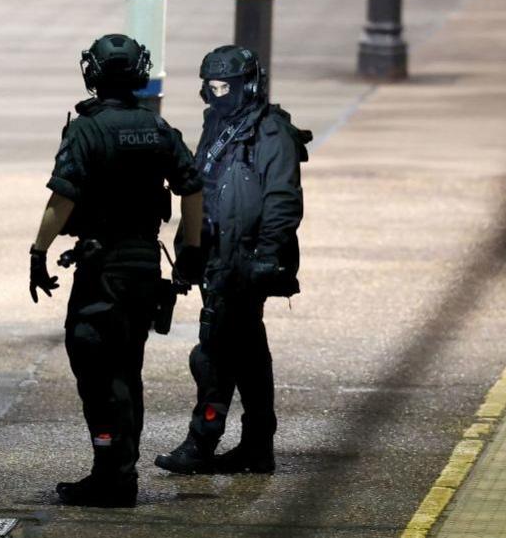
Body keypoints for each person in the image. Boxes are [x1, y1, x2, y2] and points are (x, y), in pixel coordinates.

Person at [29, 33, 204, 507]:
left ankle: (111, 475)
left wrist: (38, 252)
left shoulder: (86, 130)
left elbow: (62, 197)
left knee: (94, 365)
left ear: (92, 74)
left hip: (102, 265)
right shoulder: (157, 127)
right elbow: (192, 187)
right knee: (127, 369)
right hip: (145, 264)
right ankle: (120, 471)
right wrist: (190, 249)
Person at [155, 45, 309, 475]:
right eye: (211, 86)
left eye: (226, 86)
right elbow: (200, 189)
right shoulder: (217, 125)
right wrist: (189, 250)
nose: (218, 94)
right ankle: (258, 444)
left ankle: (203, 441)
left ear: (247, 85)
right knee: (247, 352)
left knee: (215, 352)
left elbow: (282, 199)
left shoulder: (272, 132)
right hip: (216, 255)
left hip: (245, 259)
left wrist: (268, 256)